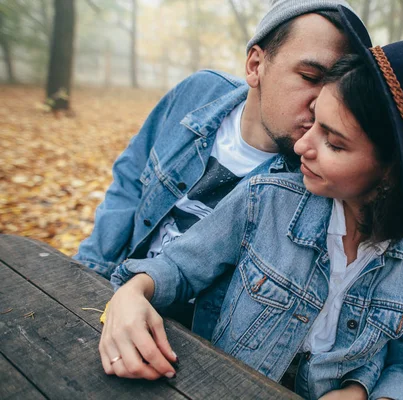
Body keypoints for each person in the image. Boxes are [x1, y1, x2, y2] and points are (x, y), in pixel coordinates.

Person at [100, 6, 403, 400]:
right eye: (315, 118)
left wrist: (363, 392)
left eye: (334, 142)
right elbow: (176, 266)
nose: (302, 144)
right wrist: (133, 290)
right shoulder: (268, 200)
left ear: (390, 171)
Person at [74, 0, 366, 337]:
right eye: (310, 77)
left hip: (193, 344)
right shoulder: (198, 94)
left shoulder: (316, 180)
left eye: (336, 87)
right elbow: (130, 178)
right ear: (256, 65)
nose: (322, 103)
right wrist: (87, 275)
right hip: (111, 292)